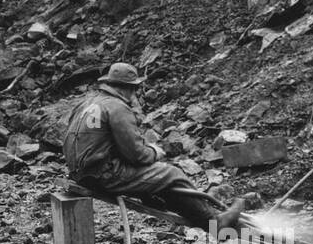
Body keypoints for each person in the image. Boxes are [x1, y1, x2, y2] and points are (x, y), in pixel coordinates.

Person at [63, 63, 245, 229]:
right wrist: (154, 152)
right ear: (129, 88)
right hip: (103, 176)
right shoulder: (117, 107)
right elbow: (137, 155)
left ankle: (164, 199)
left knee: (157, 177)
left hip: (81, 173)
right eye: (134, 90)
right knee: (171, 174)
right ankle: (214, 222)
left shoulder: (86, 104)